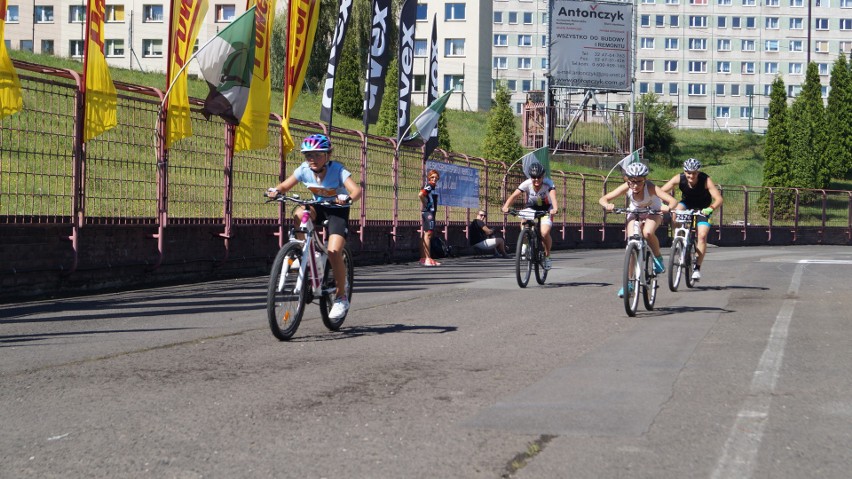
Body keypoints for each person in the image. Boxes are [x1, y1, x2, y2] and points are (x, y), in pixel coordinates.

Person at [267, 133, 362, 319]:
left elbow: (356, 190)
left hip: (337, 209)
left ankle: (341, 296)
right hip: (318, 207)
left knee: (334, 251)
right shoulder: (304, 169)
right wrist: (276, 190)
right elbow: (285, 186)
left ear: (327, 155)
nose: (313, 159)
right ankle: (304, 249)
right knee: (299, 212)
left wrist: (348, 198)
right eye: (309, 155)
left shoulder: (338, 170)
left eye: (318, 154)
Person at [599, 162, 678, 297]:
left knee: (647, 232)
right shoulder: (627, 187)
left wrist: (668, 207)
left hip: (653, 212)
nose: (635, 185)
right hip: (634, 213)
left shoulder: (651, 187)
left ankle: (658, 258)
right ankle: (629, 284)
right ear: (628, 180)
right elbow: (604, 198)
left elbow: (673, 201)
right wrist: (607, 205)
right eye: (632, 181)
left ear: (645, 180)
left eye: (639, 182)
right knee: (631, 242)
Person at [659, 158, 724, 281]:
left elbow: (719, 199)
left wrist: (711, 208)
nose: (691, 176)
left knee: (702, 236)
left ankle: (697, 268)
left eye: (694, 173)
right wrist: (662, 203)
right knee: (676, 211)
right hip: (687, 204)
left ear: (698, 172)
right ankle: (678, 238)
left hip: (703, 208)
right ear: (685, 172)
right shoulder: (679, 178)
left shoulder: (706, 180)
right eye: (689, 173)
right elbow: (661, 191)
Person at [501, 162, 558, 269]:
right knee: (524, 222)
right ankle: (525, 243)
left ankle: (547, 256)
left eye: (539, 177)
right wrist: (506, 206)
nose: (536, 180)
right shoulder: (526, 184)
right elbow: (514, 196)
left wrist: (555, 208)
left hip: (547, 209)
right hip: (532, 207)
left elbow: (553, 197)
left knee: (544, 233)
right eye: (533, 177)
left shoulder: (548, 183)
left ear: (543, 176)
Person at [419, 169, 441, 266]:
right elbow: (421, 194)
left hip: (428, 212)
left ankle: (424, 258)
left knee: (426, 234)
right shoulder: (429, 185)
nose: (434, 179)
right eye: (432, 177)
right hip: (428, 213)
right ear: (429, 178)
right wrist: (425, 203)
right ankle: (428, 258)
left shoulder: (432, 187)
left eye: (436, 177)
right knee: (428, 234)